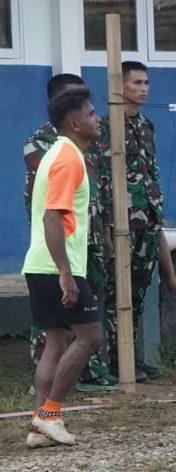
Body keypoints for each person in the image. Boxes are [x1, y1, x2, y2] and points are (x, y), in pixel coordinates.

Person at [22, 87, 106, 448]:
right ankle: (50, 413)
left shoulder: (58, 153)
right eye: (90, 113)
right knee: (90, 337)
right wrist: (66, 273)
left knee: (57, 341)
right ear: (75, 124)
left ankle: (39, 425)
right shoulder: (68, 158)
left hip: (41, 264)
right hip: (55, 266)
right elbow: (52, 215)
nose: (97, 118)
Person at [97, 61, 176, 381]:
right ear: (120, 86)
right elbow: (105, 180)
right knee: (115, 295)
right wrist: (109, 228)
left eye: (146, 82)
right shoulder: (108, 125)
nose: (144, 88)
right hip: (124, 222)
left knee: (137, 294)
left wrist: (156, 220)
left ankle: (130, 358)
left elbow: (150, 174)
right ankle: (112, 361)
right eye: (136, 82)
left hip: (148, 220)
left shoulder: (146, 125)